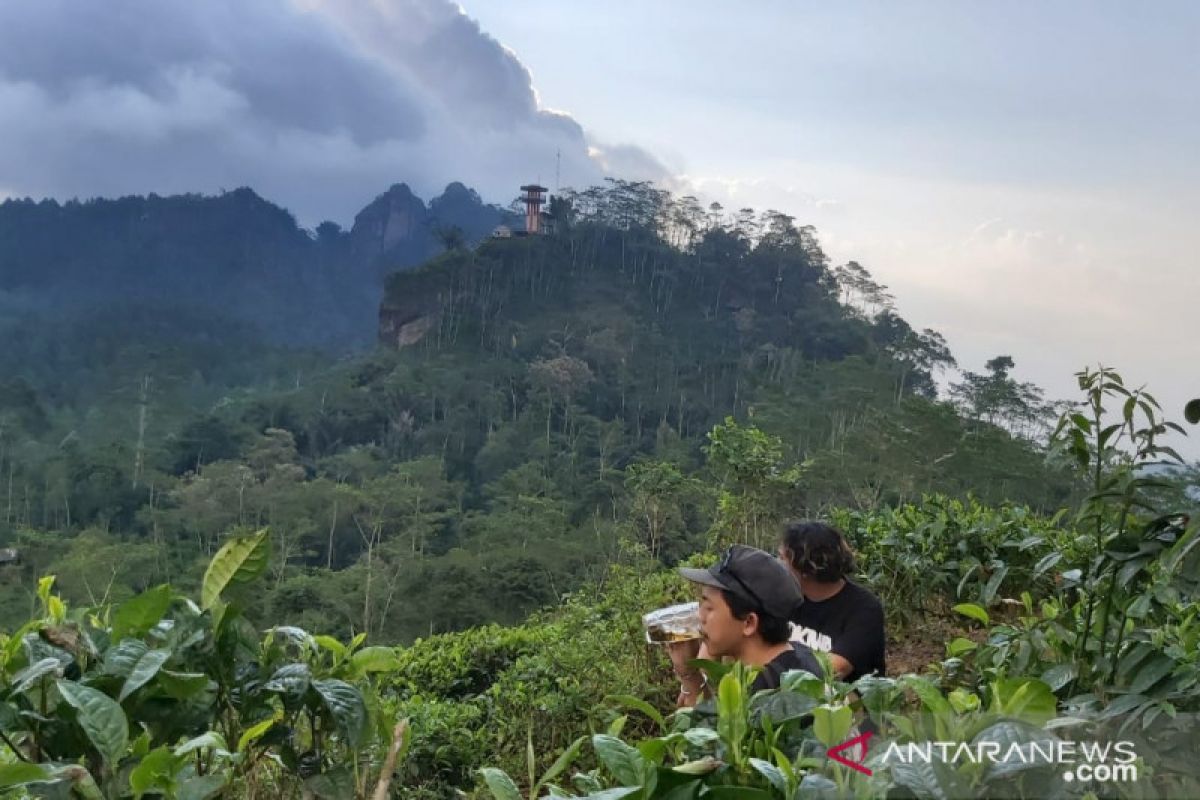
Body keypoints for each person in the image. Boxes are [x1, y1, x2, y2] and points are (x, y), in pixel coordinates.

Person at [668, 544, 820, 706]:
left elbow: (711, 729)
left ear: (749, 623)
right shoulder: (798, 655)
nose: (700, 617)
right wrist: (689, 673)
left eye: (709, 608)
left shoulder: (768, 700)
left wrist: (690, 674)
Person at [779, 521, 886, 683]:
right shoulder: (787, 598)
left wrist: (771, 665)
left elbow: (836, 669)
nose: (778, 565)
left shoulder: (864, 608)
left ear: (805, 567)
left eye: (782, 558)